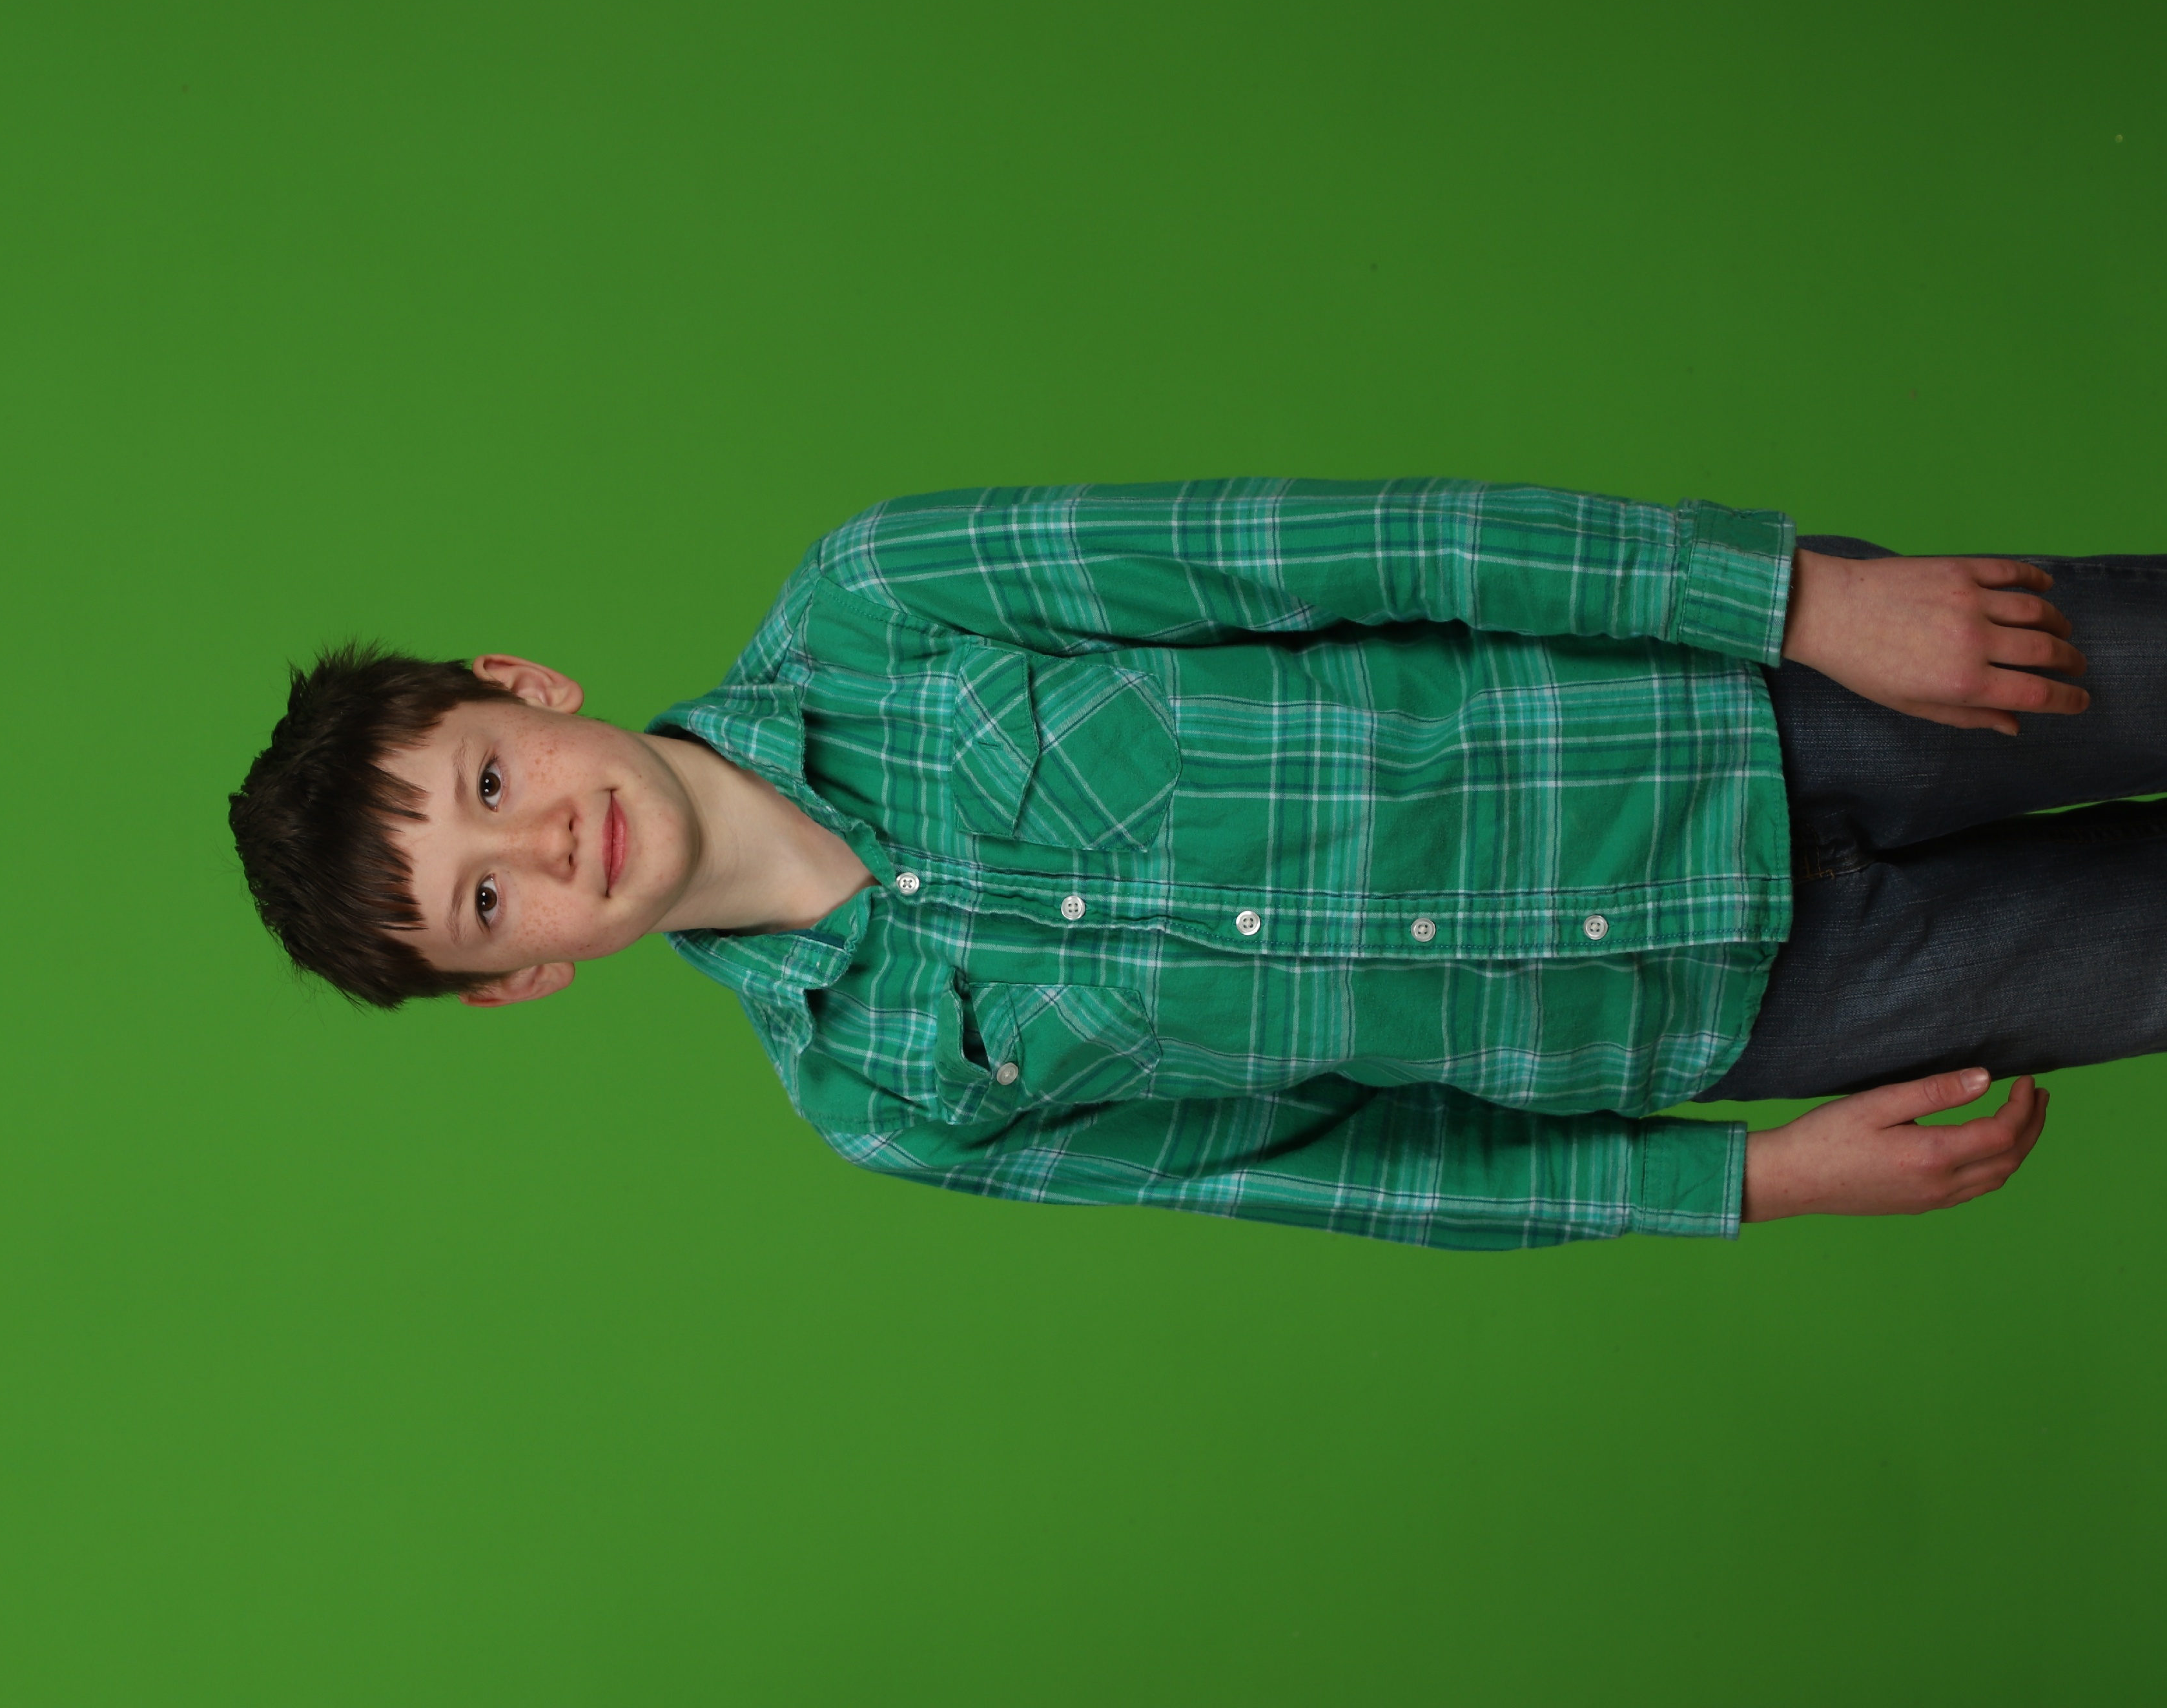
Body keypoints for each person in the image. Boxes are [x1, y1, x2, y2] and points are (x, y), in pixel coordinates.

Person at [227, 480, 2167, 1248]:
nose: (540, 841)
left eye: (488, 778)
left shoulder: (886, 600)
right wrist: (1742, 1181)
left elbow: (1356, 546)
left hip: (1754, 702)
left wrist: (1797, 600)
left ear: (521, 685)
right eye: (488, 899)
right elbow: (1342, 1169)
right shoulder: (884, 1102)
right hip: (1743, 1008)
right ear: (522, 979)